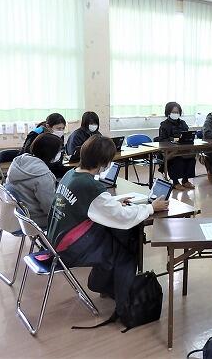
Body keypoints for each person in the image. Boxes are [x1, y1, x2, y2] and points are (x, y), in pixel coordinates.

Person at [46, 135, 168, 316]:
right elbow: (123, 218)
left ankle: (103, 285)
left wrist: (113, 202)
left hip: (54, 241)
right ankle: (121, 300)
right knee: (125, 249)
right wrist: (151, 207)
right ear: (103, 162)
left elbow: (88, 205)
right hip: (69, 249)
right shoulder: (91, 187)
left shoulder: (70, 174)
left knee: (115, 237)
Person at [5, 133, 61, 229]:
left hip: (18, 216)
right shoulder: (43, 175)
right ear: (51, 153)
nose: (60, 153)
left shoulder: (19, 162)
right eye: (59, 150)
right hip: (35, 220)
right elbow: (50, 208)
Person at [156, 102, 197, 190]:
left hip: (183, 148)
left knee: (191, 158)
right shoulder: (164, 125)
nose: (176, 114)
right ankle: (175, 182)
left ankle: (185, 180)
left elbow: (187, 134)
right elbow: (162, 140)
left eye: (177, 112)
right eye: (173, 112)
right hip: (170, 150)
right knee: (177, 159)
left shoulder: (183, 123)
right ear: (168, 112)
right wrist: (174, 139)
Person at [20, 113, 68, 178]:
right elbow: (27, 152)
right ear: (48, 126)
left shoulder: (59, 134)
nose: (61, 131)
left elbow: (60, 151)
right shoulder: (36, 133)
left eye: (63, 128)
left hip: (53, 165)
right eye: (58, 128)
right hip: (35, 167)